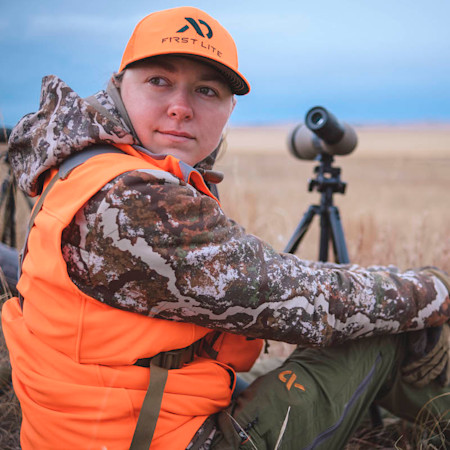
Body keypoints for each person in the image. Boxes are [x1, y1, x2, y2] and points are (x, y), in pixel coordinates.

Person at [2, 6, 449, 450]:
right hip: (158, 438)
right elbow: (309, 303)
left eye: (207, 90)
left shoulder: (83, 165)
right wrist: (436, 288)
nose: (180, 107)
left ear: (230, 109)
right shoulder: (133, 200)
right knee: (380, 327)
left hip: (96, 421)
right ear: (119, 87)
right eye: (159, 80)